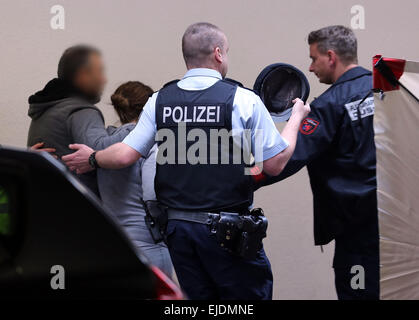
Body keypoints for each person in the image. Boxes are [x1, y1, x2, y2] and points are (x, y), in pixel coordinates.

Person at [62, 22, 310, 300]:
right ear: (218, 53)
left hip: (179, 232)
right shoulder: (244, 100)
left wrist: (93, 158)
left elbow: (124, 154)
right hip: (228, 233)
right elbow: (275, 163)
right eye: (226, 51)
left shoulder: (159, 101)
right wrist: (296, 117)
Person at [256, 25, 379, 300]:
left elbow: (284, 159)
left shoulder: (329, 105)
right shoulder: (388, 93)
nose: (310, 68)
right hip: (400, 227)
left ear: (331, 57)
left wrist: (235, 180)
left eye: (314, 59)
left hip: (356, 233)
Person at [27, 45, 130, 195]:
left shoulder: (47, 108)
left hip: (47, 203)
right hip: (76, 209)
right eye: (100, 72)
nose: (104, 79)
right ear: (83, 75)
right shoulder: (81, 111)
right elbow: (103, 151)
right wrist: (137, 128)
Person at [97, 81, 172, 276]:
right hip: (148, 242)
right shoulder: (150, 143)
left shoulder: (104, 144)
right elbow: (153, 193)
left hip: (113, 241)